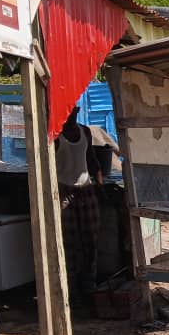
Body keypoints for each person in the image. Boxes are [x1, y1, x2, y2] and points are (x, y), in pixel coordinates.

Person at [55, 106, 103, 305]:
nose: (71, 115)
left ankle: (89, 285)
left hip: (86, 190)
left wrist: (100, 186)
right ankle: (71, 289)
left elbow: (91, 160)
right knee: (69, 243)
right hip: (64, 190)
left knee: (90, 240)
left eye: (73, 112)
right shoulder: (56, 136)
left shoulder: (85, 132)